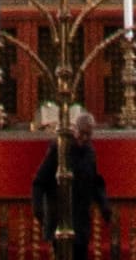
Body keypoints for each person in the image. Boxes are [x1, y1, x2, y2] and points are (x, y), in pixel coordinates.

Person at [34, 98, 106, 260]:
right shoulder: (59, 148)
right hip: (60, 216)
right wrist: (38, 207)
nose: (85, 138)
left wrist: (103, 204)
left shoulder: (89, 152)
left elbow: (94, 181)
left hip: (80, 220)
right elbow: (40, 180)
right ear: (75, 130)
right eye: (82, 133)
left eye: (89, 134)